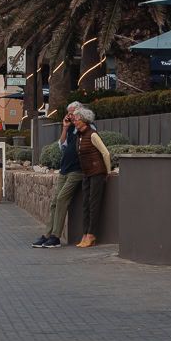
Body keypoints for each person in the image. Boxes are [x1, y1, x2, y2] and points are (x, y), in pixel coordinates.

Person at [32, 101, 82, 248]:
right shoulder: (71, 127)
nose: (70, 117)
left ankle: (56, 236)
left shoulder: (85, 127)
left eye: (73, 114)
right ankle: (48, 234)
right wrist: (65, 128)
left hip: (76, 171)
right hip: (64, 169)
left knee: (61, 199)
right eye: (69, 114)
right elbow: (62, 146)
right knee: (54, 201)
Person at [73, 106, 111, 247]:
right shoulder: (80, 136)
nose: (74, 122)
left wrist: (107, 171)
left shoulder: (93, 134)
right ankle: (85, 233)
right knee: (85, 204)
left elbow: (105, 153)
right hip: (86, 173)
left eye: (76, 119)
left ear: (84, 120)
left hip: (97, 173)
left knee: (94, 204)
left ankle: (91, 234)